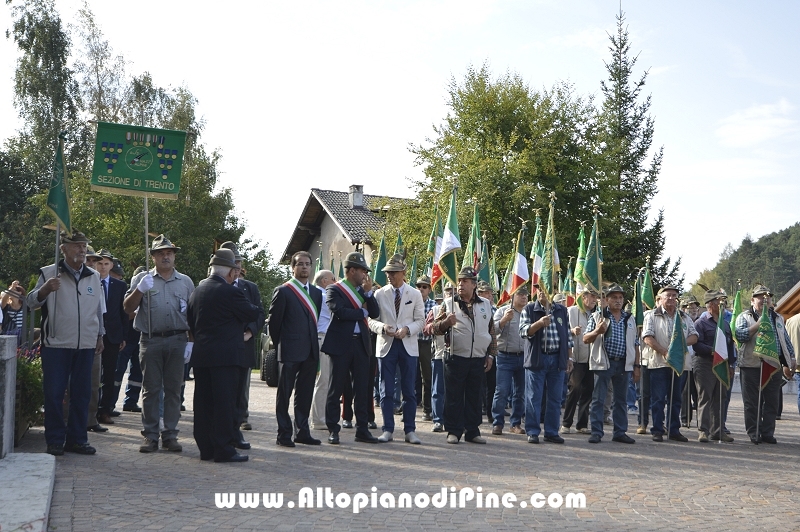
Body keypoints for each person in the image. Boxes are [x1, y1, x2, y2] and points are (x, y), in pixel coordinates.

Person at [27, 230, 105, 456]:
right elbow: (31, 302)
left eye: (84, 245)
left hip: (86, 344)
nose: (82, 250)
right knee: (54, 394)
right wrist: (45, 289)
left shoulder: (94, 276)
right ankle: (54, 440)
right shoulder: (49, 273)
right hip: (57, 344)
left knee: (82, 394)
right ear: (63, 249)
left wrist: (100, 334)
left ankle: (78, 439)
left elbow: (98, 309)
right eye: (76, 246)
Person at [124, 235, 194, 453]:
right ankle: (151, 435)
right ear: (153, 257)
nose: (166, 256)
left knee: (174, 389)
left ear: (174, 256)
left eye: (169, 253)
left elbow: (192, 314)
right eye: (161, 253)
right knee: (151, 389)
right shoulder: (143, 279)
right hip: (151, 339)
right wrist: (140, 290)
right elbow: (127, 308)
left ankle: (170, 434)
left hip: (178, 339)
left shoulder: (186, 282)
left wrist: (191, 342)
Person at [188, 249, 260, 462]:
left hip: (202, 356)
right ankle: (224, 449)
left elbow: (191, 322)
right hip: (226, 357)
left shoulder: (197, 291)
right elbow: (252, 313)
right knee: (224, 404)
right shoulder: (231, 292)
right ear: (230, 273)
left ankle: (206, 448)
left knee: (203, 403)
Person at [322, 252, 380, 444]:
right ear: (352, 270)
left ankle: (362, 429)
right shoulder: (335, 290)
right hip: (341, 344)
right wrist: (361, 311)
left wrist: (369, 294)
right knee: (336, 388)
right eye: (363, 270)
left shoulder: (364, 291)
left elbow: (375, 313)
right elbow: (339, 311)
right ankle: (333, 429)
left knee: (363, 389)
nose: (365, 274)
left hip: (361, 344)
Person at [433, 267, 495, 444]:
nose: (460, 284)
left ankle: (473, 431)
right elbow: (435, 328)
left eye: (465, 281)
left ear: (474, 285)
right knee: (454, 396)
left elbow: (491, 331)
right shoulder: (449, 303)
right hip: (455, 357)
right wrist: (446, 322)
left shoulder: (485, 304)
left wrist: (490, 355)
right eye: (459, 281)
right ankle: (453, 430)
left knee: (475, 396)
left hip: (477, 358)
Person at [368, 254, 425, 444]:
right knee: (386, 390)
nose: (389, 276)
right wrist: (382, 327)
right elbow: (370, 320)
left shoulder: (415, 294)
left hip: (408, 345)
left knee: (409, 390)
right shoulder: (379, 293)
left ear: (403, 273)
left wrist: (408, 329)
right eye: (387, 272)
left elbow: (421, 320)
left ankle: (410, 430)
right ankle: (387, 429)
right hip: (386, 344)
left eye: (393, 272)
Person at [268, 251, 323, 447]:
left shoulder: (316, 293)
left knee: (305, 393)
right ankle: (283, 434)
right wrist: (282, 344)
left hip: (310, 351)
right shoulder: (283, 291)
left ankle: (302, 431)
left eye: (308, 263)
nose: (304, 267)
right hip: (289, 350)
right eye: (300, 264)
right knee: (284, 394)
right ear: (292, 267)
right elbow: (274, 324)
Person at [735, 285, 796, 444]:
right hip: (751, 366)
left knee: (772, 402)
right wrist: (759, 324)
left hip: (773, 365)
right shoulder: (744, 316)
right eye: (760, 296)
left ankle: (767, 432)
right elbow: (740, 336)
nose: (764, 299)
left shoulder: (777, 318)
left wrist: (791, 358)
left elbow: (785, 341)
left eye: (767, 297)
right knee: (752, 403)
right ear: (752, 299)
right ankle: (754, 433)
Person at [583, 283, 639, 444]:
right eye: (614, 297)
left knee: (621, 401)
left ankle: (620, 432)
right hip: (603, 362)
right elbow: (586, 339)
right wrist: (597, 332)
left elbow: (636, 344)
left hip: (623, 364)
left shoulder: (629, 318)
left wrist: (636, 366)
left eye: (620, 297)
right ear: (606, 299)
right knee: (598, 399)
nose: (618, 300)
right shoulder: (597, 317)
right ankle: (596, 432)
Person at [641, 286, 698, 442]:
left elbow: (694, 336)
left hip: (680, 364)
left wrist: (679, 346)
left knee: (676, 399)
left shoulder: (684, 317)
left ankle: (674, 429)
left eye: (674, 296)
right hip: (659, 363)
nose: (672, 298)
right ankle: (657, 430)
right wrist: (666, 352)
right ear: (660, 298)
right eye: (668, 296)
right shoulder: (652, 315)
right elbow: (647, 337)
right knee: (658, 399)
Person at [220, 242, 265, 437]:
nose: (236, 268)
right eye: (233, 264)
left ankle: (241, 417)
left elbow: (259, 314)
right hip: (222, 343)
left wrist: (250, 332)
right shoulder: (215, 285)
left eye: (238, 264)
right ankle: (224, 419)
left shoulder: (250, 288)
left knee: (242, 384)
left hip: (244, 342)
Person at [519, 288, 573, 444]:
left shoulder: (562, 310)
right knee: (533, 397)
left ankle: (551, 432)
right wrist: (538, 324)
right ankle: (533, 431)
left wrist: (569, 357)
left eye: (545, 288)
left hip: (557, 359)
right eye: (539, 289)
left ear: (554, 290)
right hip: (538, 358)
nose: (541, 292)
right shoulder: (529, 308)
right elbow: (523, 332)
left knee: (555, 398)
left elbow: (568, 335)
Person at [692, 290, 734, 443]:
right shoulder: (700, 323)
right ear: (710, 304)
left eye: (723, 301)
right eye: (718, 301)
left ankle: (718, 430)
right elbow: (697, 345)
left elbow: (730, 346)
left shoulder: (725, 324)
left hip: (722, 364)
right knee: (705, 397)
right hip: (704, 363)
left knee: (720, 397)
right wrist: (713, 351)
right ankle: (703, 430)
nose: (721, 304)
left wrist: (730, 364)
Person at [94, 249, 129, 427]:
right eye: (99, 263)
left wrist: (123, 336)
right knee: (92, 375)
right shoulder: (89, 282)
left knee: (109, 375)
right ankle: (90, 411)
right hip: (92, 335)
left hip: (113, 335)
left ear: (111, 265)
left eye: (106, 263)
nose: (102, 267)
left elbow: (123, 312)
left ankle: (105, 410)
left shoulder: (119, 286)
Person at [491, 286, 529, 436]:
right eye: (520, 294)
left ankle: (516, 423)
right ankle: (497, 423)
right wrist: (504, 320)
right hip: (505, 357)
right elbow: (493, 331)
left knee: (520, 393)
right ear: (513, 295)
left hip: (524, 357)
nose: (524, 297)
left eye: (526, 294)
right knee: (502, 391)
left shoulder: (529, 312)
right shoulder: (502, 311)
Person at [562, 288, 599, 435]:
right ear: (583, 297)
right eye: (592, 296)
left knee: (588, 391)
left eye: (596, 297)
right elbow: (560, 330)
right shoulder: (570, 311)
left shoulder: (597, 314)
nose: (595, 300)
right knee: (575, 389)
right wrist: (571, 331)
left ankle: (582, 424)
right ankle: (566, 423)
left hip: (592, 358)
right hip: (576, 357)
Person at [310, 269, 336, 430]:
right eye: (333, 279)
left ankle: (320, 417)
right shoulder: (324, 297)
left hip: (321, 339)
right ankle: (319, 419)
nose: (336, 281)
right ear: (324, 281)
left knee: (323, 380)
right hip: (322, 338)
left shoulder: (317, 295)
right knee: (323, 380)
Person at [416, 276, 436, 422]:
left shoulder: (434, 306)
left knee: (427, 377)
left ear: (429, 289)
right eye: (419, 287)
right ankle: (408, 406)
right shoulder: (410, 303)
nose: (421, 289)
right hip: (411, 342)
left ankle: (427, 409)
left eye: (424, 287)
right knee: (409, 376)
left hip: (427, 344)